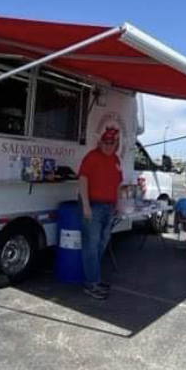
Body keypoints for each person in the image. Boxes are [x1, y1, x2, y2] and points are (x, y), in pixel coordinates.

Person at [78, 127, 123, 299]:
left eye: (112, 142)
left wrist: (117, 204)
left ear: (115, 144)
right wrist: (86, 205)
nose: (108, 145)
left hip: (109, 207)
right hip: (94, 206)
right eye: (106, 142)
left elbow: (118, 184)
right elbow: (82, 179)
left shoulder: (115, 159)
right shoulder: (92, 156)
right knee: (91, 245)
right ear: (100, 142)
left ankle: (94, 278)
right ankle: (91, 284)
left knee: (101, 243)